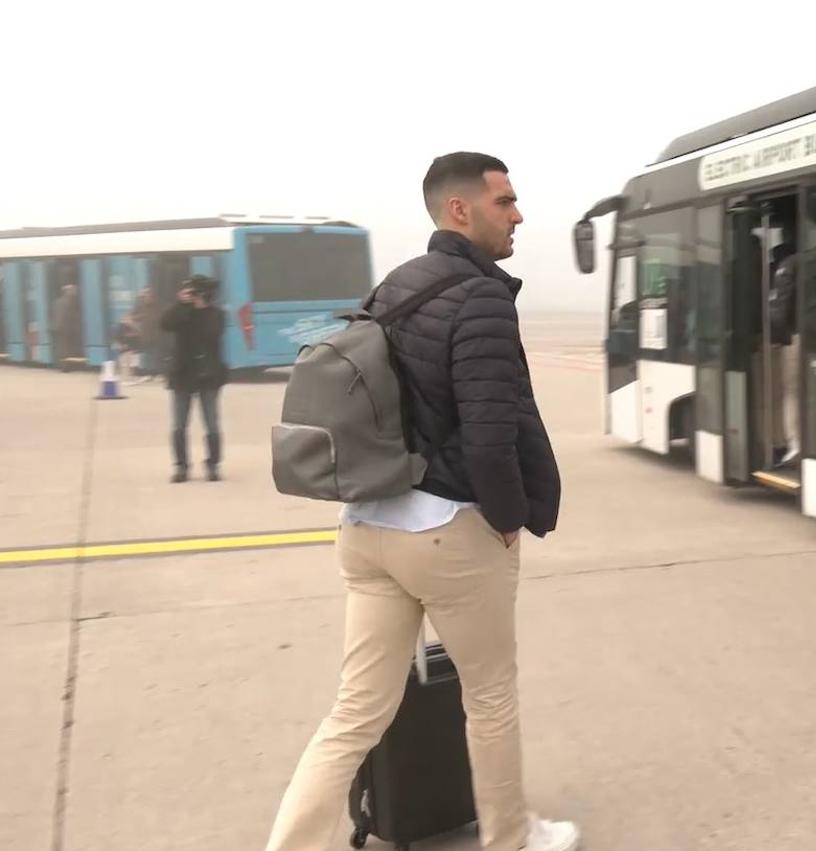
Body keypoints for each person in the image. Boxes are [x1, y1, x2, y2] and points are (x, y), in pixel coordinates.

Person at [263, 153, 577, 851]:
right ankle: (511, 837)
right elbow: (492, 432)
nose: (518, 214)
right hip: (446, 529)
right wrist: (504, 519)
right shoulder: (482, 297)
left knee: (356, 710)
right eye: (505, 201)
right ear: (460, 210)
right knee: (489, 697)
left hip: (368, 525)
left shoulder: (394, 286)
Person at [159, 275, 227, 483]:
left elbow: (211, 334)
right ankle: (181, 466)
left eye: (194, 292)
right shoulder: (182, 312)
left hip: (208, 376)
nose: (191, 295)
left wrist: (200, 308)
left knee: (212, 424)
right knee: (179, 425)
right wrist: (181, 304)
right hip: (182, 375)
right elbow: (165, 324)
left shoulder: (216, 314)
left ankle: (212, 464)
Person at [51, 283, 83, 370]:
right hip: (64, 328)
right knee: (64, 348)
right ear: (67, 292)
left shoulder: (57, 301)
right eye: (72, 291)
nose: (74, 292)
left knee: (61, 347)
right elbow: (68, 316)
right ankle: (64, 367)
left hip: (58, 327)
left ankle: (62, 365)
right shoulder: (69, 302)